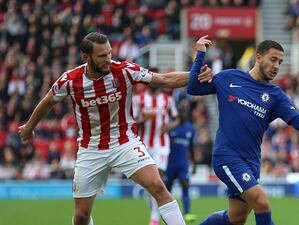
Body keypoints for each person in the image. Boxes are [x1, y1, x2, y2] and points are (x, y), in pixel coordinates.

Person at [18, 32, 213, 225]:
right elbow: (48, 101)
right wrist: (29, 126)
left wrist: (196, 74)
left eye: (110, 53)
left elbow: (164, 80)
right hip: (91, 148)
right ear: (87, 57)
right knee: (82, 215)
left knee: (157, 185)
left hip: (125, 142)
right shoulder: (70, 80)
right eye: (102, 56)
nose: (108, 59)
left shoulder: (124, 70)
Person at [188, 36, 299, 225]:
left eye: (280, 62)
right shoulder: (229, 78)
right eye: (273, 60)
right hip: (227, 157)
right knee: (262, 203)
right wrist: (200, 55)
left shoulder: (276, 96)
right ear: (259, 57)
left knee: (236, 218)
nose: (277, 66)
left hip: (252, 162)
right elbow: (193, 88)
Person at [132, 76, 179, 225]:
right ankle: (154, 212)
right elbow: (131, 121)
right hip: (143, 144)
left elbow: (177, 119)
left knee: (157, 180)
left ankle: (154, 219)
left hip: (162, 144)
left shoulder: (168, 100)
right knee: (149, 185)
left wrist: (169, 126)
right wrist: (144, 120)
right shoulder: (138, 99)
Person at [164, 100, 197, 223]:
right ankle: (167, 214)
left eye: (185, 111)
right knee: (167, 190)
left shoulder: (190, 128)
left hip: (183, 163)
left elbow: (191, 147)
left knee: (185, 185)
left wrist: (194, 163)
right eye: (181, 111)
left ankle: (187, 213)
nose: (183, 113)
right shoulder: (170, 127)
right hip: (169, 163)